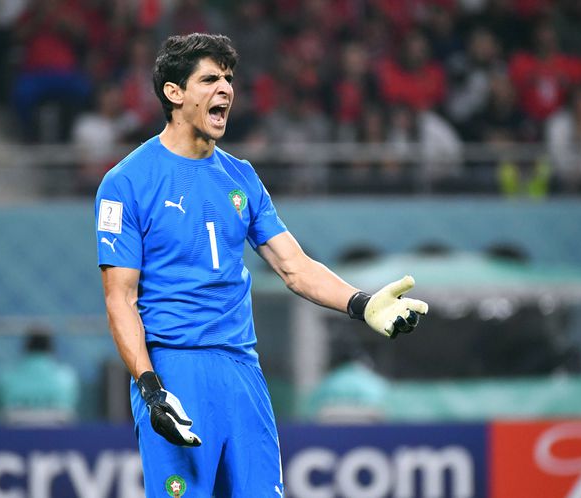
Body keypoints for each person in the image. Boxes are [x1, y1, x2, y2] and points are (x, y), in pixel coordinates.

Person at [95, 33, 428, 497]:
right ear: (174, 92)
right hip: (175, 369)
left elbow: (294, 266)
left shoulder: (242, 177)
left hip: (243, 370)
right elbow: (121, 298)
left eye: (228, 79)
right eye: (209, 79)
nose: (225, 89)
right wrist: (151, 388)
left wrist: (362, 303)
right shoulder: (126, 182)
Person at [0, 325, 79, 424]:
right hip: (58, 432)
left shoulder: (5, 375)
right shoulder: (66, 377)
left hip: (13, 432)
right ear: (51, 348)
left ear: (26, 347)